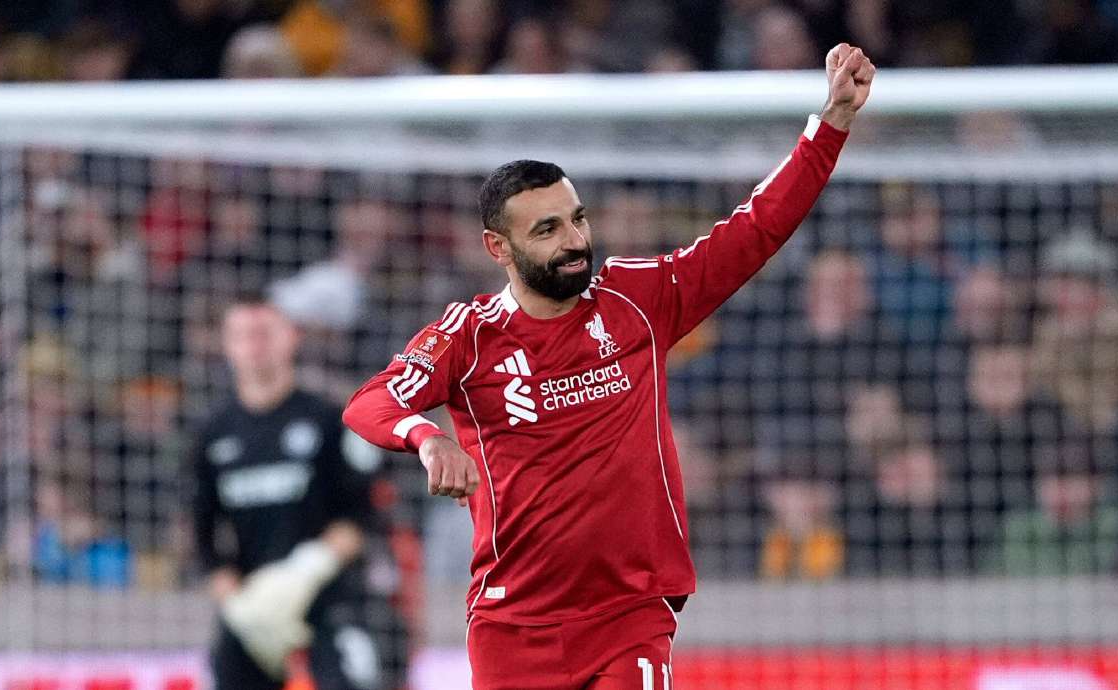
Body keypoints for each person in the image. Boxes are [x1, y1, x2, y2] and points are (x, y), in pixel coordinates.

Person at [344, 43, 875, 689]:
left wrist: (831, 125)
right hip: (513, 622)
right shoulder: (471, 334)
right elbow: (370, 404)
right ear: (497, 247)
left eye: (577, 219)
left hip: (630, 613)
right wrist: (427, 439)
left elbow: (755, 228)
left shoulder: (638, 299)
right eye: (547, 230)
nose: (573, 242)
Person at [188, 296, 406, 690]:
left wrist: (306, 569)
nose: (254, 345)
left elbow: (361, 517)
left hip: (331, 596)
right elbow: (200, 536)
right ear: (226, 345)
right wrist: (240, 605)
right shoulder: (210, 434)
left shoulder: (327, 420)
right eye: (242, 335)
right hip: (256, 605)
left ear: (290, 338)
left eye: (264, 333)